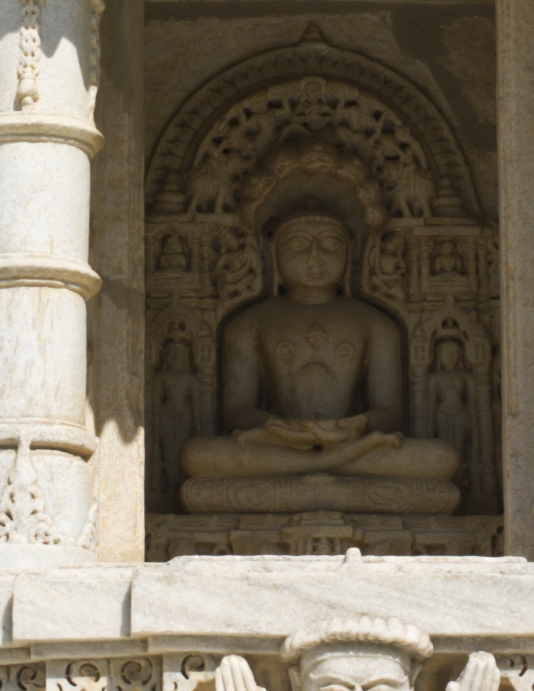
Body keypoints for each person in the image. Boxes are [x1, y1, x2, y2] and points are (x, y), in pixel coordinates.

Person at [181, 205, 462, 511]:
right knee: (197, 456)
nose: (315, 258)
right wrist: (278, 428)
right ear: (273, 257)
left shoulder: (375, 324)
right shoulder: (250, 323)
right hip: (282, 447)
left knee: (441, 458)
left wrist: (356, 425)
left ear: (350, 255)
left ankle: (309, 482)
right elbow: (236, 410)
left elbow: (389, 412)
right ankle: (334, 478)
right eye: (298, 246)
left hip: (352, 445)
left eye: (330, 246)